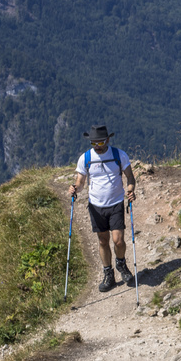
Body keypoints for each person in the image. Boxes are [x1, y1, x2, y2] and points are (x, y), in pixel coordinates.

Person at [68, 125, 137, 292]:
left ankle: (121, 264)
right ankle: (108, 273)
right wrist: (74, 189)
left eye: (100, 143)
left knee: (118, 240)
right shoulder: (85, 158)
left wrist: (130, 190)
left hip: (115, 204)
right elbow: (81, 182)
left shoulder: (118, 155)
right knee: (102, 240)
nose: (97, 147)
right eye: (94, 144)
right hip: (96, 206)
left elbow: (130, 177)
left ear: (107, 140)